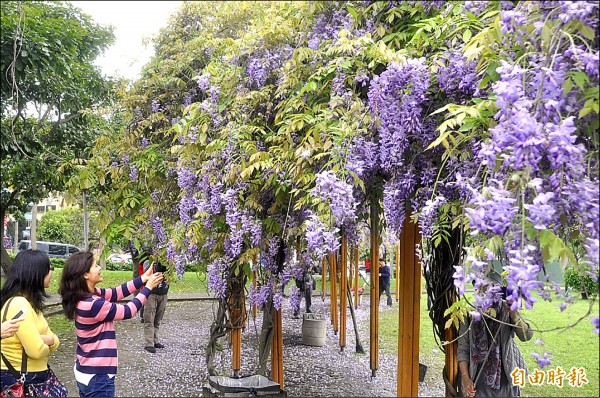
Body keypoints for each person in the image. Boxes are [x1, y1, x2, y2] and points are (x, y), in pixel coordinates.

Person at [59, 251, 163, 397]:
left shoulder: (86, 296)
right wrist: (148, 288)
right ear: (85, 274)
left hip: (87, 371)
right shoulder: (92, 304)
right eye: (95, 266)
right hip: (98, 377)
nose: (100, 268)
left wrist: (143, 279)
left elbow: (116, 293)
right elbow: (128, 311)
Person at [458, 279, 533, 397]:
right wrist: (466, 379)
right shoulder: (469, 314)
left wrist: (514, 315)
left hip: (506, 380)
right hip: (480, 383)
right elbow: (463, 349)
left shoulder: (506, 309)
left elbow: (526, 336)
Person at [0, 250, 61, 391]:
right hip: (20, 379)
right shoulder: (19, 304)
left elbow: (54, 340)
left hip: (31, 376)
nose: (52, 272)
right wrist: (49, 340)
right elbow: (36, 350)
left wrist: (50, 340)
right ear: (36, 272)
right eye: (50, 268)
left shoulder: (30, 303)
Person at [142, 260, 169, 353]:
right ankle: (149, 343)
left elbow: (170, 274)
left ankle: (155, 340)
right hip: (151, 293)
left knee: (158, 318)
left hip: (163, 293)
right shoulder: (148, 261)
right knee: (149, 318)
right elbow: (146, 273)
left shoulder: (169, 261)